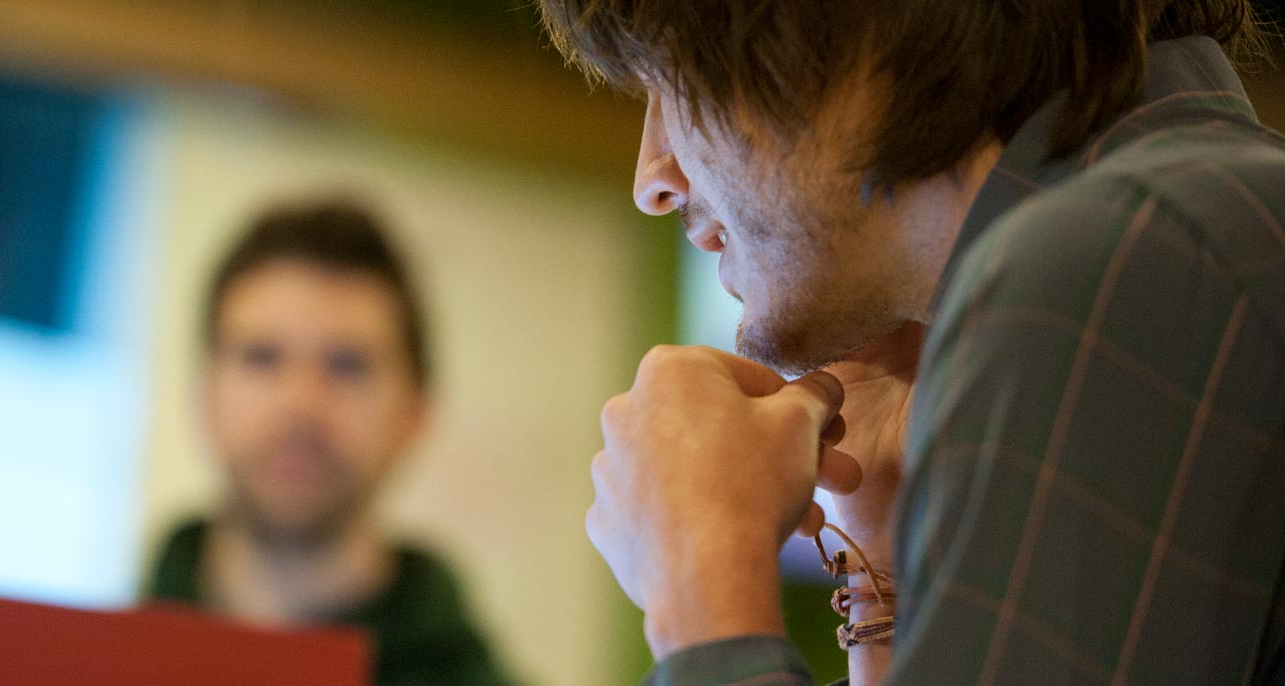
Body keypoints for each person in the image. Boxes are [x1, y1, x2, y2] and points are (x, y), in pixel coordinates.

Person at [537, 1, 1285, 684]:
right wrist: (880, 575)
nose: (652, 178)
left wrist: (700, 581)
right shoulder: (1188, 226)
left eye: (671, 79)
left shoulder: (1125, 249)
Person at [145, 200, 514, 686]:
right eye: (262, 357)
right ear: (204, 392)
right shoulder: (82, 666)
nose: (300, 403)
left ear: (415, 412)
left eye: (347, 365)